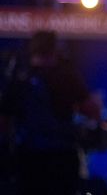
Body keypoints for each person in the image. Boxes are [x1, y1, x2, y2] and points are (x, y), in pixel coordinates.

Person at [2, 30, 100, 195]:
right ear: (56, 50)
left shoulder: (18, 79)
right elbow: (92, 110)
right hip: (61, 158)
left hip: (28, 159)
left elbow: (3, 121)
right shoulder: (67, 75)